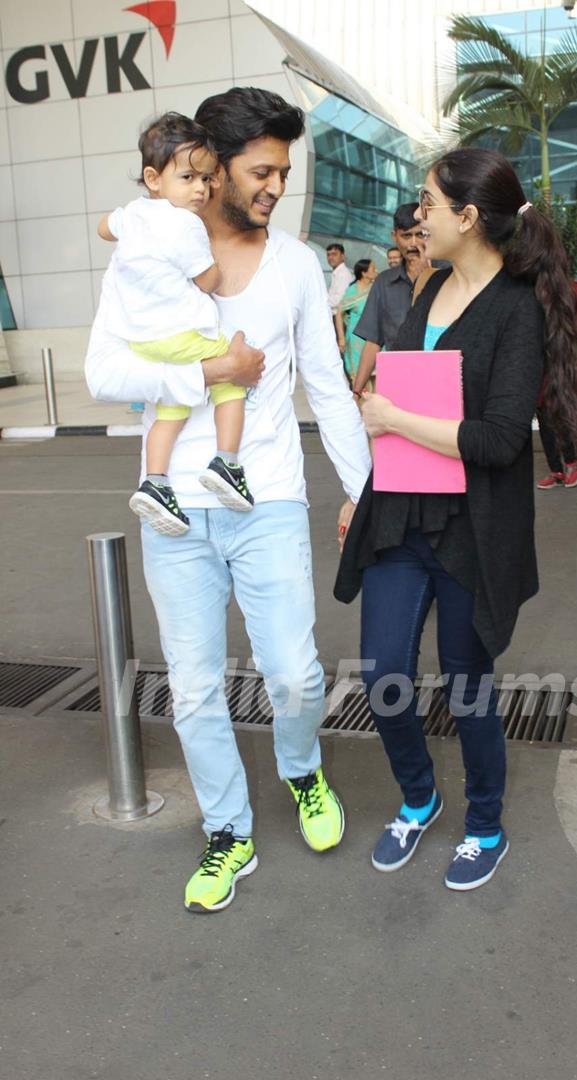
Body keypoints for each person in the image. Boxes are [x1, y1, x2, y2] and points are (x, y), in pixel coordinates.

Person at [86, 86, 371, 914]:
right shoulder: (144, 252)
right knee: (196, 687)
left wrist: (365, 490)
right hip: (171, 504)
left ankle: (301, 769)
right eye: (263, 170)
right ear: (210, 169)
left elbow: (325, 381)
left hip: (268, 495)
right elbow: (105, 375)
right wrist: (209, 373)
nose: (277, 186)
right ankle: (228, 833)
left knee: (294, 675)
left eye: (284, 171)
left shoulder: (294, 264)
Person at [334, 147, 577, 891]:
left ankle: (484, 823)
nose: (418, 217)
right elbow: (403, 393)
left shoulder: (516, 306)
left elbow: (500, 439)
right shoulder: (430, 285)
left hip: (474, 530)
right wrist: (365, 482)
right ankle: (418, 798)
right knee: (383, 674)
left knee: (466, 682)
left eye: (430, 205)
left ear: (469, 217)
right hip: (401, 518)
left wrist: (393, 418)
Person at [98, 112, 254, 535]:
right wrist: (211, 271)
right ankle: (227, 462)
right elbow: (207, 280)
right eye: (188, 177)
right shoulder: (186, 224)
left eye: (205, 179)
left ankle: (156, 482)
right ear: (154, 178)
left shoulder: (133, 214)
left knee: (171, 411)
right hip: (185, 335)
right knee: (231, 383)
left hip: (145, 342)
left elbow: (102, 228)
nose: (200, 189)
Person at [352, 203, 429, 395]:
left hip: (438, 377)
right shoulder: (384, 282)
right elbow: (373, 341)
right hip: (398, 379)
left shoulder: (447, 274)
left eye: (419, 234)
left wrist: (427, 274)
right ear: (394, 236)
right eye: (406, 236)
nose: (413, 243)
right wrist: (356, 391)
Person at [536, 278, 577, 490]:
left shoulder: (575, 290)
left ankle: (572, 462)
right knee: (543, 413)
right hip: (540, 362)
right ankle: (555, 470)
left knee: (564, 411)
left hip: (565, 362)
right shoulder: (535, 291)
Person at [334, 259, 377, 382]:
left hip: (374, 337)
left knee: (376, 375)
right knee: (358, 375)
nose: (376, 271)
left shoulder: (375, 288)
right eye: (373, 269)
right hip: (356, 338)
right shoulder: (353, 290)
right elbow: (339, 312)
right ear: (364, 273)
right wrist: (341, 339)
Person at [326, 242, 354, 314]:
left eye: (334, 254)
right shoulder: (337, 273)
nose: (330, 257)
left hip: (336, 317)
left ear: (343, 257)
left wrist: (319, 302)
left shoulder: (343, 274)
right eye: (328, 255)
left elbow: (338, 300)